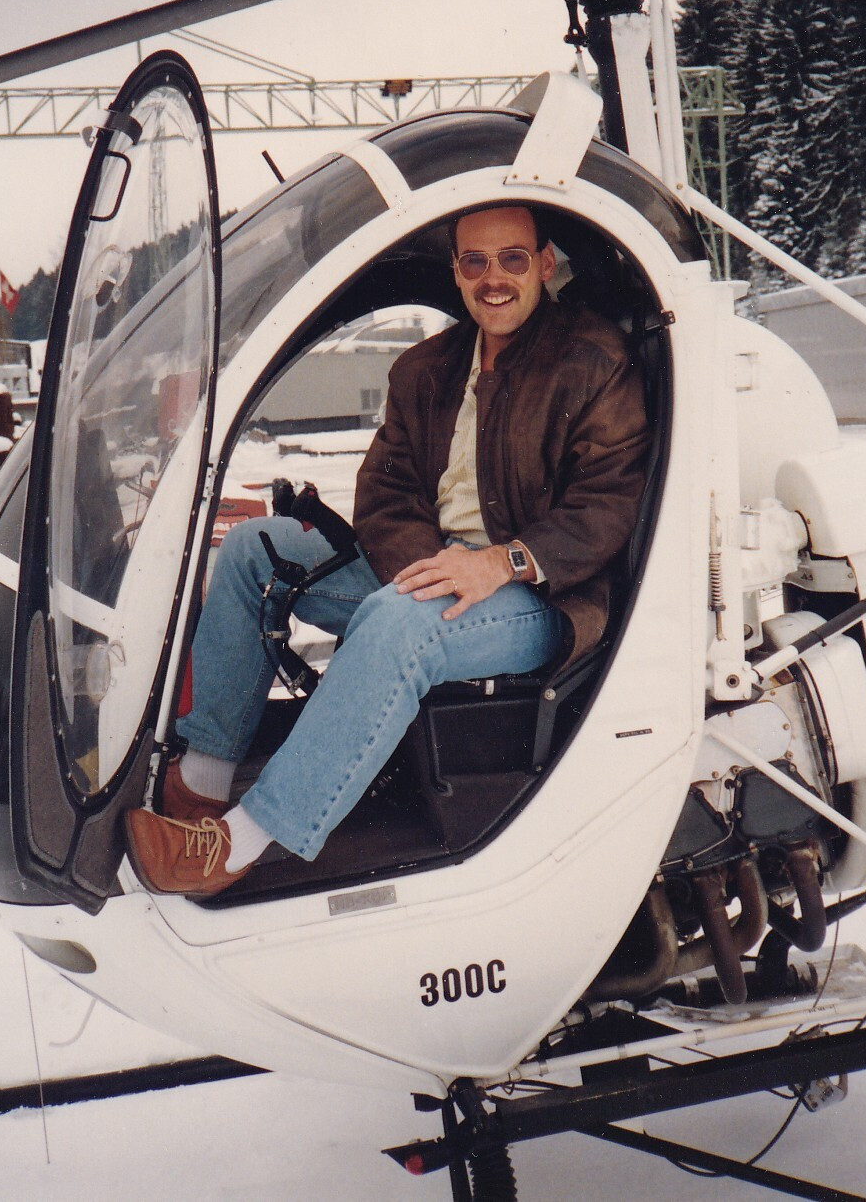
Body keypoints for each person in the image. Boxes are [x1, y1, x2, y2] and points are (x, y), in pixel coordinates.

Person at [123, 204, 650, 896]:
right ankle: (201, 784)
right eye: (475, 261)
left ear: (545, 265)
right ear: (456, 271)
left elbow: (607, 505)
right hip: (435, 566)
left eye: (513, 259)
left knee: (401, 626)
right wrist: (423, 569)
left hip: (539, 593)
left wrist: (498, 562)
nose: (493, 278)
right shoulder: (426, 368)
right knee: (257, 551)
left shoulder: (595, 362)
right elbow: (387, 491)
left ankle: (236, 847)